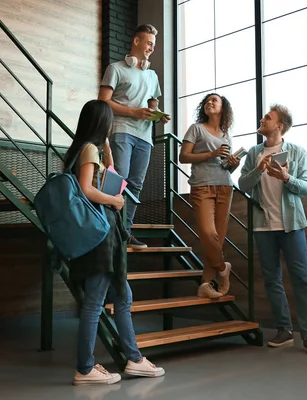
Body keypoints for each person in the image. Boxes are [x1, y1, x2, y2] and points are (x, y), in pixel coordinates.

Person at [65, 100, 164, 385]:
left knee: (123, 295)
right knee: (96, 302)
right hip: (101, 235)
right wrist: (114, 200)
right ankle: (85, 368)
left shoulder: (88, 149)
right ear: (101, 122)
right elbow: (86, 189)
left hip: (102, 233)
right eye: (109, 121)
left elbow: (111, 175)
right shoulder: (88, 150)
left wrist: (107, 148)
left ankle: (134, 359)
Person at [238, 104, 307, 357]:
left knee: (302, 279)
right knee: (272, 279)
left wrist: (287, 177)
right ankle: (284, 330)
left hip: (292, 225)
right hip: (262, 226)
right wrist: (258, 169)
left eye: (268, 117)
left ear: (279, 126)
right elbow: (242, 184)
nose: (262, 119)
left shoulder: (296, 152)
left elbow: (306, 188)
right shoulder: (254, 152)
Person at [98, 24, 170, 249]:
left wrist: (157, 114)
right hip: (121, 131)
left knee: (136, 185)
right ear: (136, 41)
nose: (151, 48)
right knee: (118, 179)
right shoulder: (116, 68)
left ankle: (124, 232)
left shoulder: (152, 75)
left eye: (154, 45)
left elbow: (153, 101)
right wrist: (133, 112)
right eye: (149, 43)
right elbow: (103, 101)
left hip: (144, 137)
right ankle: (108, 228)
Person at [179, 93, 239, 298]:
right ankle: (223, 268)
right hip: (202, 186)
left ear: (223, 108)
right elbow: (183, 156)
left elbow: (224, 167)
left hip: (225, 186)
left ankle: (205, 284)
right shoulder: (196, 128)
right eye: (207, 101)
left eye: (214, 100)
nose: (209, 103)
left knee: (217, 239)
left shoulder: (226, 134)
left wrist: (233, 165)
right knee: (208, 233)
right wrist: (211, 154)